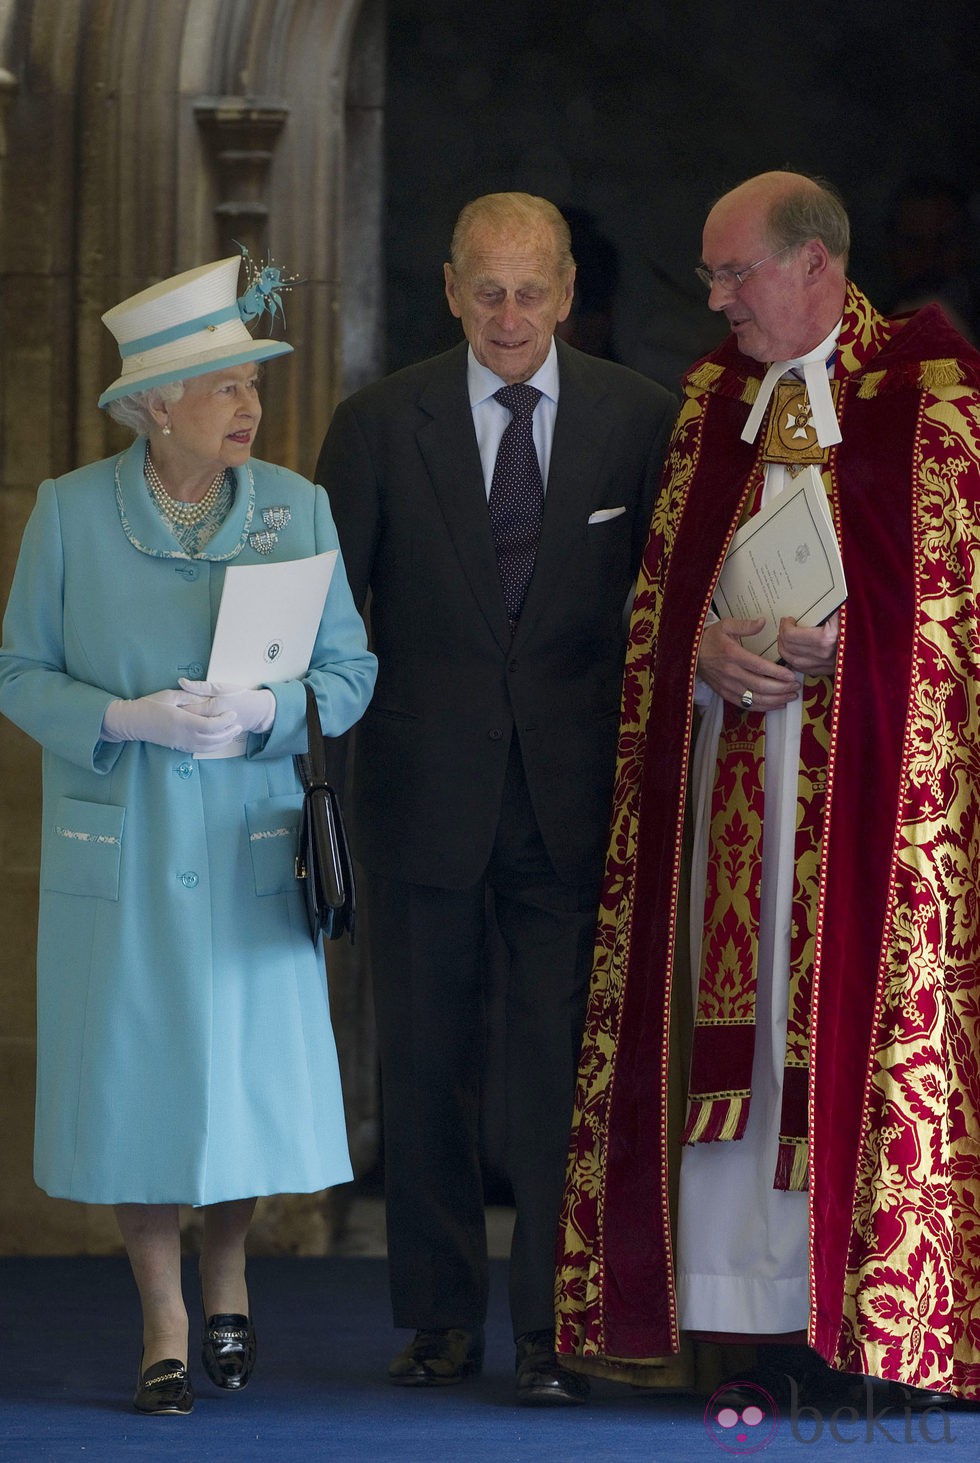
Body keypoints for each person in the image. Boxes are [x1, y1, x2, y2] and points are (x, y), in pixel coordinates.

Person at [555, 171, 980, 1406]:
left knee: (833, 1036)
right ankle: (739, 1329)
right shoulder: (709, 404)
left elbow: (947, 628)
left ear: (814, 268)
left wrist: (842, 658)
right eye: (708, 275)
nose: (715, 298)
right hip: (721, 794)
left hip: (857, 816)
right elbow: (654, 597)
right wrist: (696, 650)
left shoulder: (927, 395)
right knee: (719, 1060)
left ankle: (858, 1331)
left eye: (733, 272)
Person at [315, 191, 676, 1405]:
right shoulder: (375, 422)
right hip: (418, 794)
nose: (509, 314)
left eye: (532, 290)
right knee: (422, 1064)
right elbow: (328, 623)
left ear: (570, 293)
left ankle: (553, 1328)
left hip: (577, 803)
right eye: (487, 288)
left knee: (562, 1070)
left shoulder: (642, 420)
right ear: (449, 287)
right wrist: (307, 793)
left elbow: (675, 606)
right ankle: (433, 1321)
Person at [0, 254, 377, 1415]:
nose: (248, 403)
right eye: (221, 383)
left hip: (247, 839)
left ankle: (228, 1263)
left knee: (240, 1083)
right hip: (122, 838)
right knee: (139, 1082)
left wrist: (269, 713)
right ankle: (163, 1308)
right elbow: (18, 670)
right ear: (155, 403)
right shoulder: (69, 510)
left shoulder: (293, 508)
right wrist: (120, 715)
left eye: (253, 380)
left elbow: (350, 668)